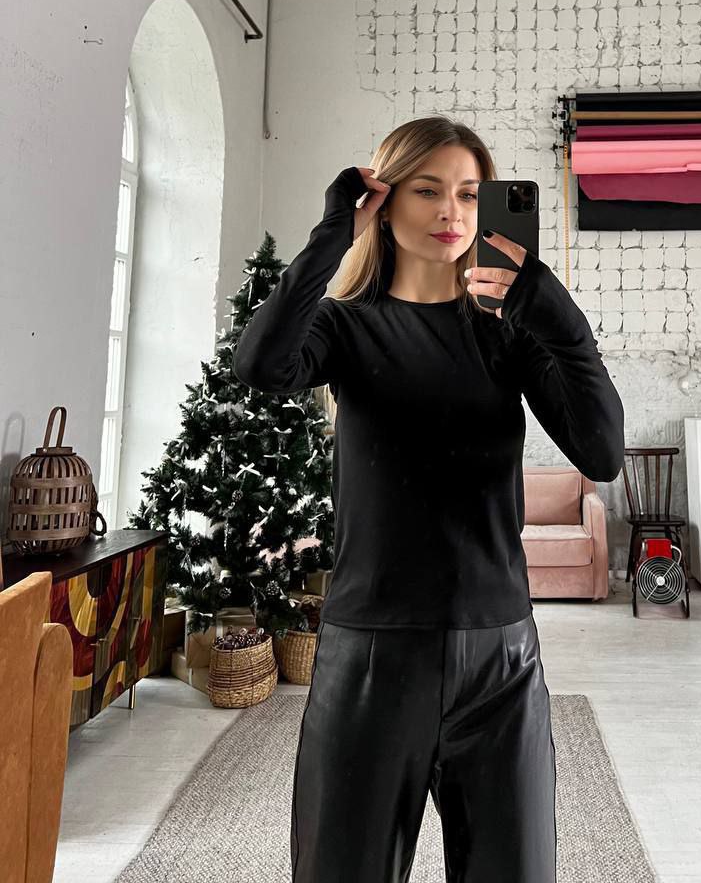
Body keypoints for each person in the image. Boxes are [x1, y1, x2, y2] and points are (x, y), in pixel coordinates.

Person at [233, 115, 626, 883]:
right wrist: (332, 235)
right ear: (383, 202)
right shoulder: (344, 328)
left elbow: (602, 452)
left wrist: (548, 307)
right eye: (427, 190)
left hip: (501, 664)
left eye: (470, 195)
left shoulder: (508, 334)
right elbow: (262, 364)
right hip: (369, 661)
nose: (452, 211)